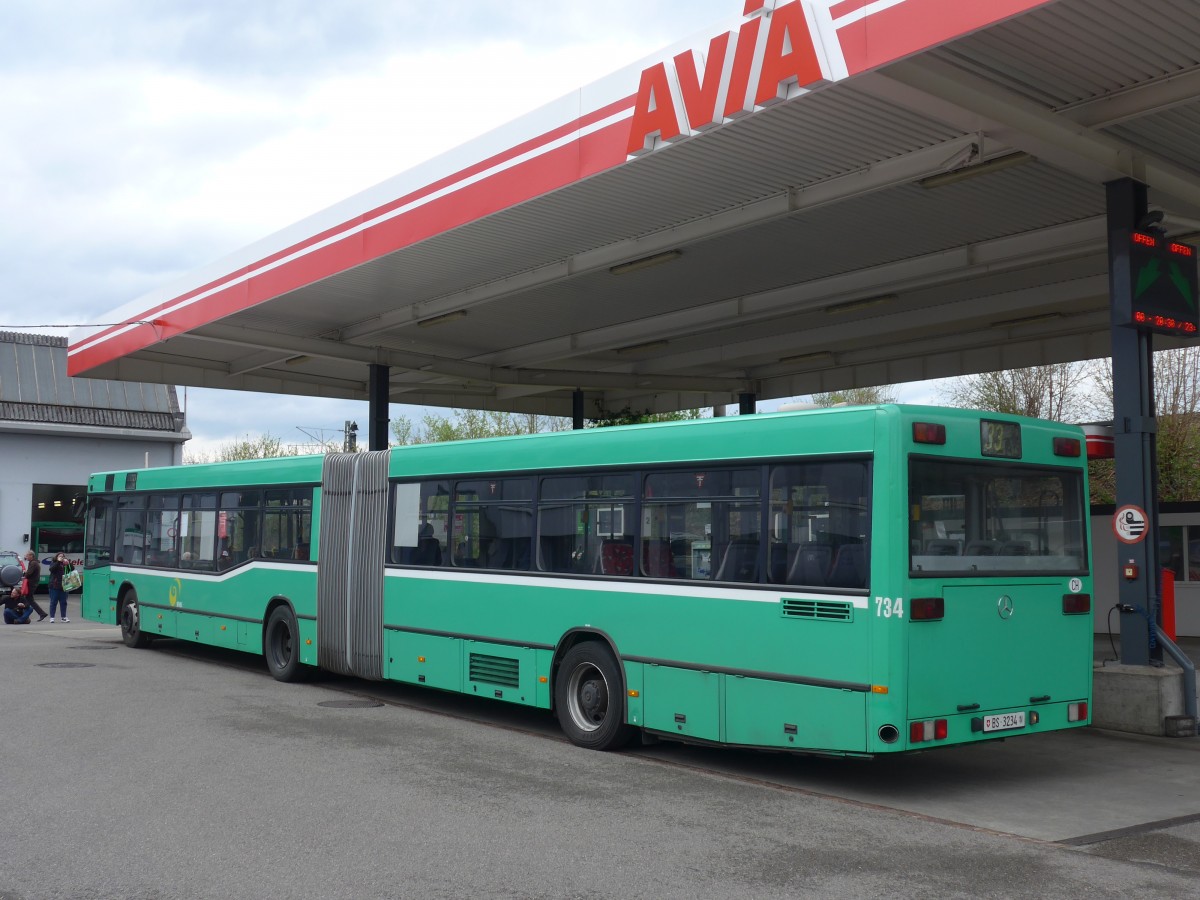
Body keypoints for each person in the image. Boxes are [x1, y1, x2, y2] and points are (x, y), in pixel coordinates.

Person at [21, 552, 48, 622]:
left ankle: (40, 613)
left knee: (28, 599)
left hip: (31, 584)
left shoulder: (33, 563)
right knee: (28, 599)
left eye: (27, 555)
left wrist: (24, 573)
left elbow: (29, 573)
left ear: (31, 556)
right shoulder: (33, 563)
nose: (26, 557)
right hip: (32, 583)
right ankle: (41, 613)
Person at [47, 551, 69, 623]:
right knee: (53, 602)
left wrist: (69, 564)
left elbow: (71, 569)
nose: (61, 558)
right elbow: (51, 569)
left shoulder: (64, 564)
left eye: (62, 556)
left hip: (64, 585)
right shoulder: (54, 563)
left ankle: (63, 617)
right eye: (60, 556)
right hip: (54, 585)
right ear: (56, 557)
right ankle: (52, 617)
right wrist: (58, 562)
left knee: (63, 602)